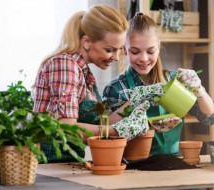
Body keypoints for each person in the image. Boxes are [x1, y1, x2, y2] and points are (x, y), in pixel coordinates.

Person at [102, 12, 214, 155]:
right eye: (135, 52)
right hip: (133, 167)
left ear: (158, 48)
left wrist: (200, 90)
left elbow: (209, 118)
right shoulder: (116, 88)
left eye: (150, 51)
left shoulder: (174, 81)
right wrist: (134, 101)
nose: (143, 58)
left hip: (172, 165)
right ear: (124, 50)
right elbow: (105, 129)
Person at [32, 4, 129, 162]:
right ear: (86, 42)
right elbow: (67, 128)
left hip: (68, 163)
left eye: (119, 50)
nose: (116, 57)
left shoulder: (83, 72)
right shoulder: (64, 65)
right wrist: (115, 131)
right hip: (49, 165)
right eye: (110, 49)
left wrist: (137, 102)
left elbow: (102, 123)